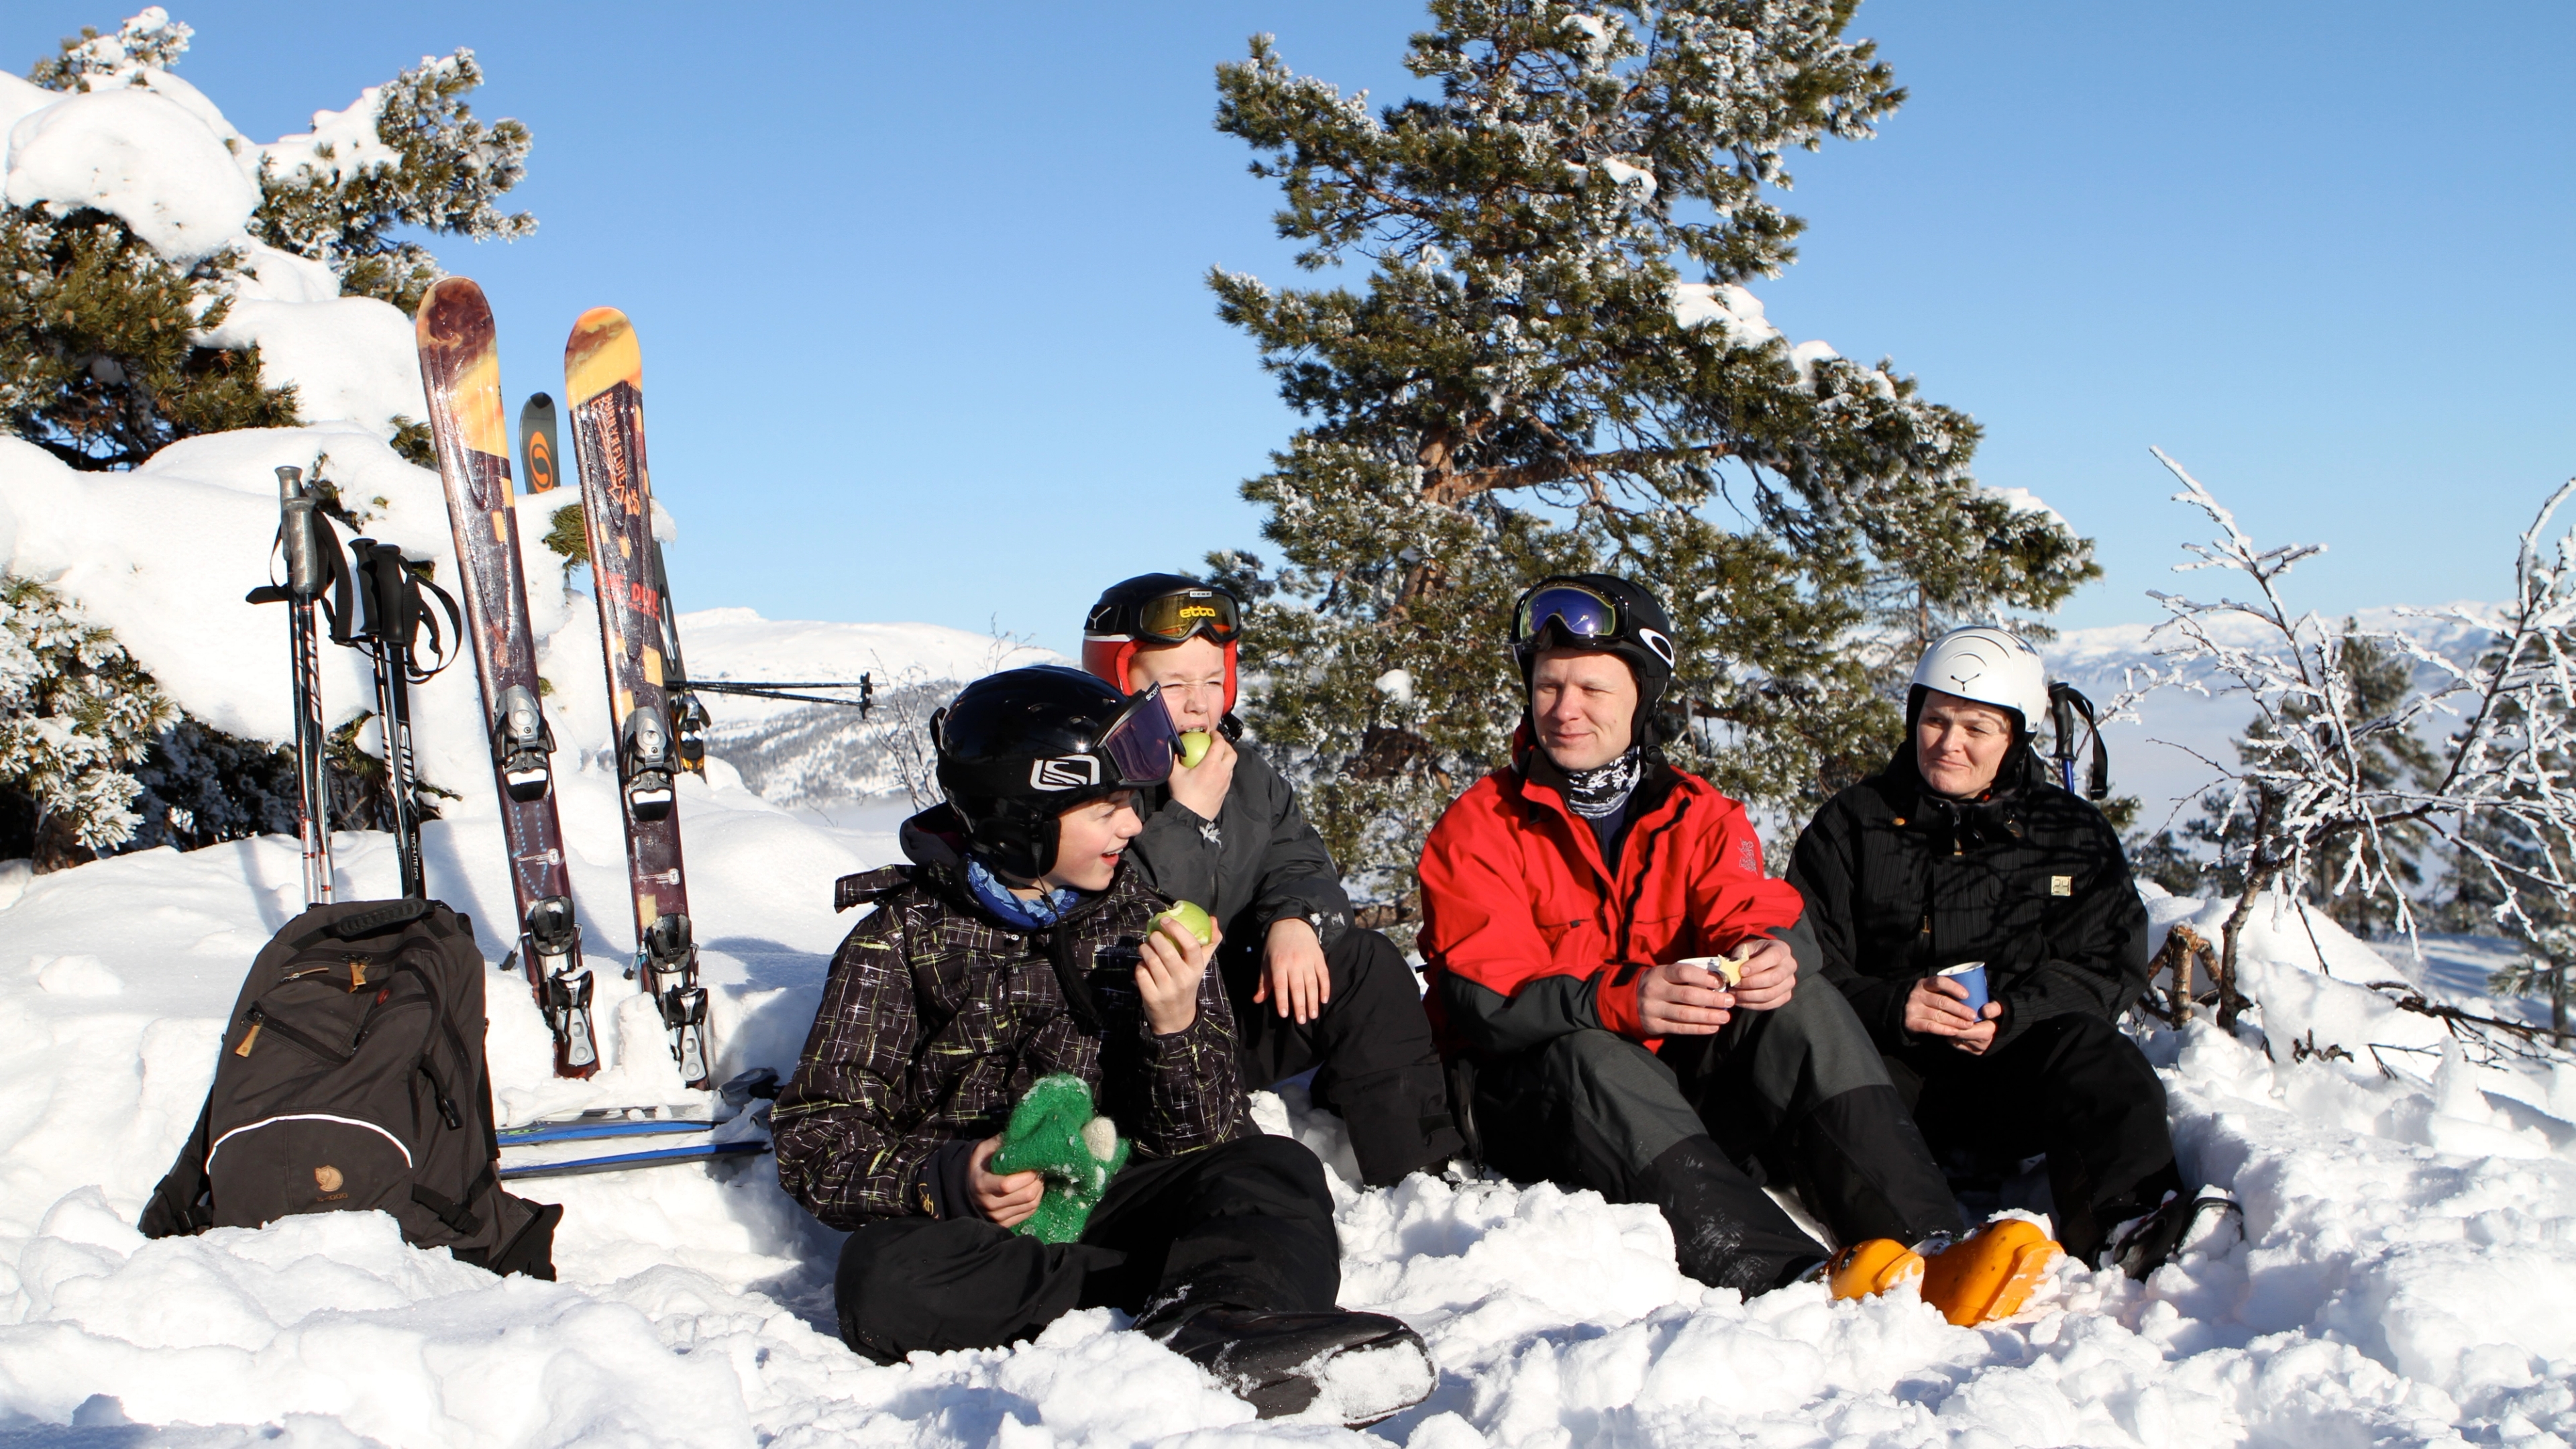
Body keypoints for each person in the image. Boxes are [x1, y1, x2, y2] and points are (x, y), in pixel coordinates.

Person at [771, 667, 1433, 1423]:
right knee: (878, 1278)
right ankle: (1185, 1302)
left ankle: (1229, 1322)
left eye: (1133, 804)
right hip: (979, 1231)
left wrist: (1176, 1024)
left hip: (1117, 1191)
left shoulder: (1142, 919)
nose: (1133, 826)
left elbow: (1209, 1137)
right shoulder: (898, 942)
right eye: (1106, 808)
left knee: (1273, 1169)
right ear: (1020, 816)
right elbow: (815, 1136)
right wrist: (949, 1178)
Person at [1417, 576, 2059, 1321]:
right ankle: (1787, 1279)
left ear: (1642, 696)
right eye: (1548, 687)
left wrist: (1773, 949)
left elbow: (1757, 907)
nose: (1565, 710)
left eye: (1592, 688)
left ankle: (1932, 1243)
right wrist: (1620, 998)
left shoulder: (1696, 812)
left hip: (1670, 1094)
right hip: (1534, 1098)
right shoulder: (1481, 825)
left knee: (1800, 998)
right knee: (1588, 1048)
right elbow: (1485, 1000)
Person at [1786, 626, 2195, 1276]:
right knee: (1810, 1075)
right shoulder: (1853, 825)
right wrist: (1897, 1006)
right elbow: (1806, 961)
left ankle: (2130, 1216)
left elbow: (2105, 961)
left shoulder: (2067, 832)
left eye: (1977, 728)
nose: (1950, 744)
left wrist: (2016, 1012)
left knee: (2098, 1055)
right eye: (1936, 720)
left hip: (2015, 1076)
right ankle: (1903, 1246)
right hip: (1887, 1079)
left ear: (2014, 739)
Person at [1083, 574, 1461, 1185]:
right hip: (1149, 1042)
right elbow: (1119, 919)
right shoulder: (1096, 789)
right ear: (1119, 682)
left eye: (1213, 680)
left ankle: (1418, 1166)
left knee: (1365, 962)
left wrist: (1295, 919)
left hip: (1238, 1013)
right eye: (1174, 684)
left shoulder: (1246, 773)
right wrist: (1186, 818)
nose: (1200, 703)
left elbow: (1300, 859)